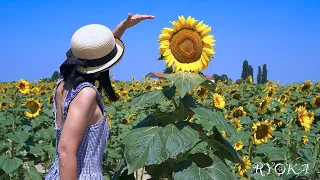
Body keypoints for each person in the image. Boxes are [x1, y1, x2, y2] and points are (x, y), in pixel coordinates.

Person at [45, 13, 155, 180]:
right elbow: (65, 150)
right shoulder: (86, 94)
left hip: (57, 173)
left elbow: (94, 53)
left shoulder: (63, 84)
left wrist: (124, 26)